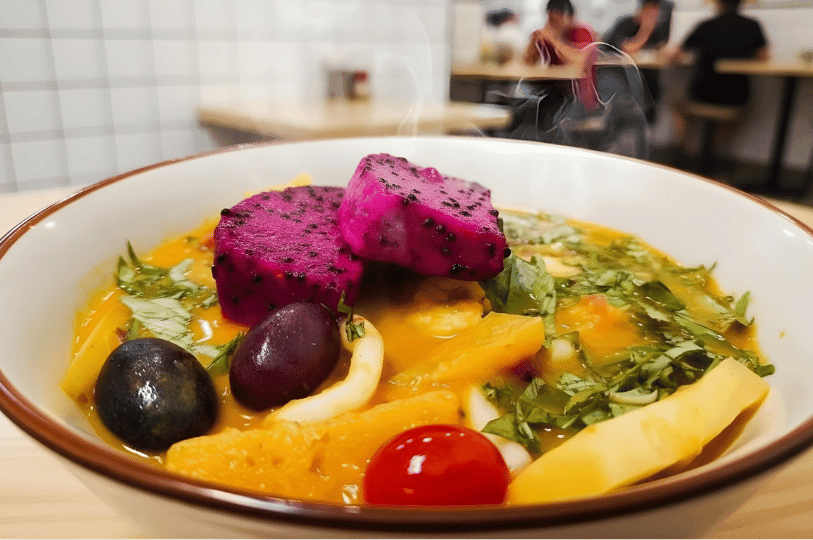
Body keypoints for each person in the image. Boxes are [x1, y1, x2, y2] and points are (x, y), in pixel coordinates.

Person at [670, 0, 769, 106]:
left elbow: (674, 53)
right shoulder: (753, 26)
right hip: (737, 97)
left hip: (702, 94)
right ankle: (726, 123)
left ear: (718, 3)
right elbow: (763, 56)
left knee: (677, 106)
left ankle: (684, 122)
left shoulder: (706, 26)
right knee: (735, 113)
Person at [523, 0, 595, 67]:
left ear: (568, 17)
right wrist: (534, 43)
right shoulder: (550, 35)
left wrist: (552, 40)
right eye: (550, 20)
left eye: (556, 20)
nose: (552, 25)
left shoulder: (581, 31)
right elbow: (528, 63)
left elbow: (581, 61)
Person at [602, 0, 674, 55]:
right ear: (642, 10)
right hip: (614, 69)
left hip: (646, 70)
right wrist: (646, 30)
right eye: (650, 11)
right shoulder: (626, 24)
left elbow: (662, 48)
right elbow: (628, 49)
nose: (654, 15)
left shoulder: (659, 29)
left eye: (656, 11)